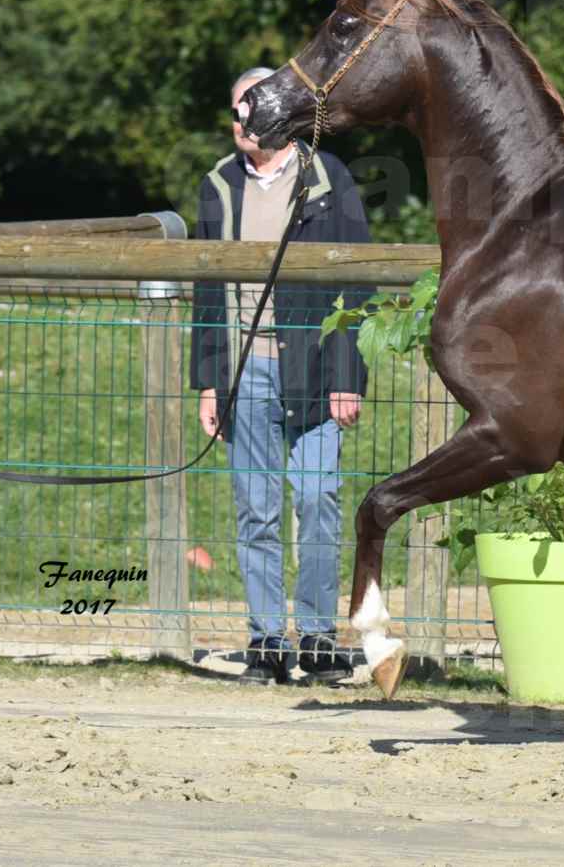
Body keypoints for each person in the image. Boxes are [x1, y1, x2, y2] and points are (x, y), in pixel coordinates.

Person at [190, 66, 371, 685]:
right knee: (256, 510)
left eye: (249, 107)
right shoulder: (216, 185)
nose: (239, 120)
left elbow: (356, 285)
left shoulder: (328, 178)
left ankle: (318, 641)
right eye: (234, 108)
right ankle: (267, 643)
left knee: (319, 499)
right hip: (247, 372)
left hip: (318, 371)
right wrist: (210, 381)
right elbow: (207, 292)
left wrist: (349, 374)